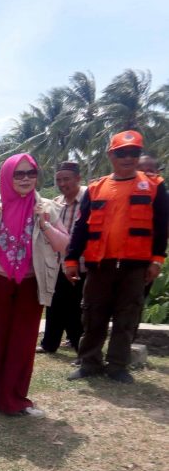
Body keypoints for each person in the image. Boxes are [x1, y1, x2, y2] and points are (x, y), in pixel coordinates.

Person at [0, 154, 70, 416]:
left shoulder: (47, 207)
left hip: (31, 283)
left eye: (31, 173)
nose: (25, 179)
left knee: (23, 342)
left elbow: (64, 244)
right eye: (19, 173)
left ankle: (13, 399)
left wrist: (44, 225)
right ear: (7, 176)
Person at [65, 131, 168, 383]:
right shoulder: (96, 188)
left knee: (127, 316)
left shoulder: (155, 186)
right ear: (111, 154)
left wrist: (157, 260)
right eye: (122, 152)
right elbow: (81, 228)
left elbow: (162, 225)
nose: (128, 157)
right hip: (100, 264)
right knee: (93, 314)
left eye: (133, 152)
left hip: (135, 266)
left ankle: (118, 366)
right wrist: (70, 260)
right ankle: (89, 362)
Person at [39, 161, 87, 353]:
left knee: (77, 307)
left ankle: (79, 347)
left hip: (81, 263)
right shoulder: (56, 203)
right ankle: (49, 344)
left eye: (66, 179)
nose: (62, 183)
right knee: (54, 305)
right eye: (59, 180)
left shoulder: (89, 199)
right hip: (58, 263)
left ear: (78, 178)